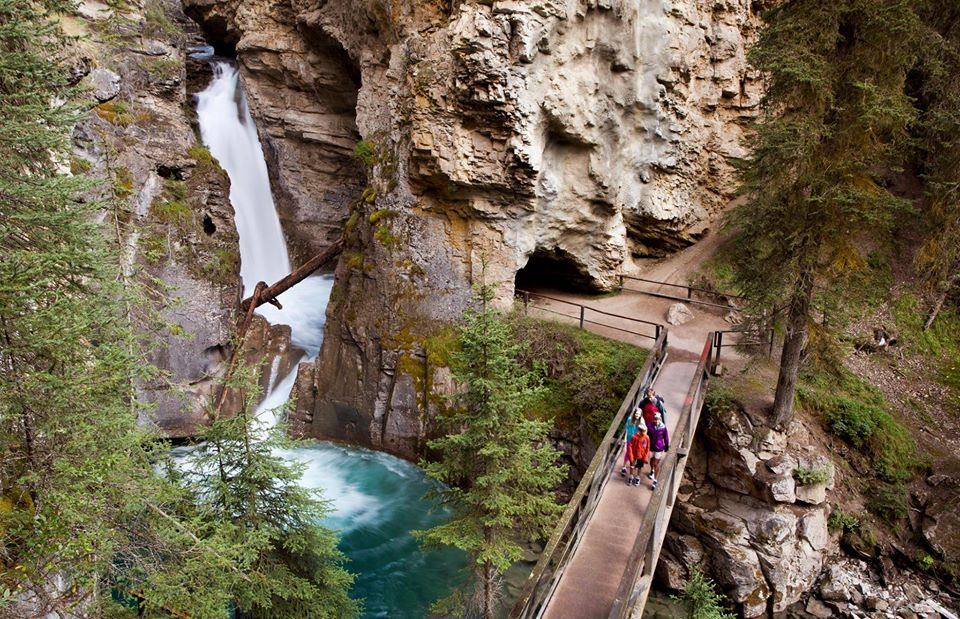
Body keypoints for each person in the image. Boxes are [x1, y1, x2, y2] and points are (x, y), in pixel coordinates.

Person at [648, 413, 669, 490]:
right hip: (651, 447)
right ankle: (652, 470)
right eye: (655, 419)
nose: (656, 421)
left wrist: (666, 447)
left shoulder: (663, 428)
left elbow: (666, 438)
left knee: (656, 463)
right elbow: (646, 434)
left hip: (659, 448)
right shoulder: (650, 426)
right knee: (651, 460)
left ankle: (655, 480)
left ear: (660, 419)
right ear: (653, 419)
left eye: (658, 419)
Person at [621, 410, 641, 476]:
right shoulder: (629, 419)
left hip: (636, 440)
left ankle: (632, 465)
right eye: (636, 414)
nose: (637, 415)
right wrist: (625, 438)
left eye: (638, 414)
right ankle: (624, 467)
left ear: (641, 415)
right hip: (629, 439)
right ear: (634, 413)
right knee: (627, 453)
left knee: (634, 454)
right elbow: (627, 429)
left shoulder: (641, 422)